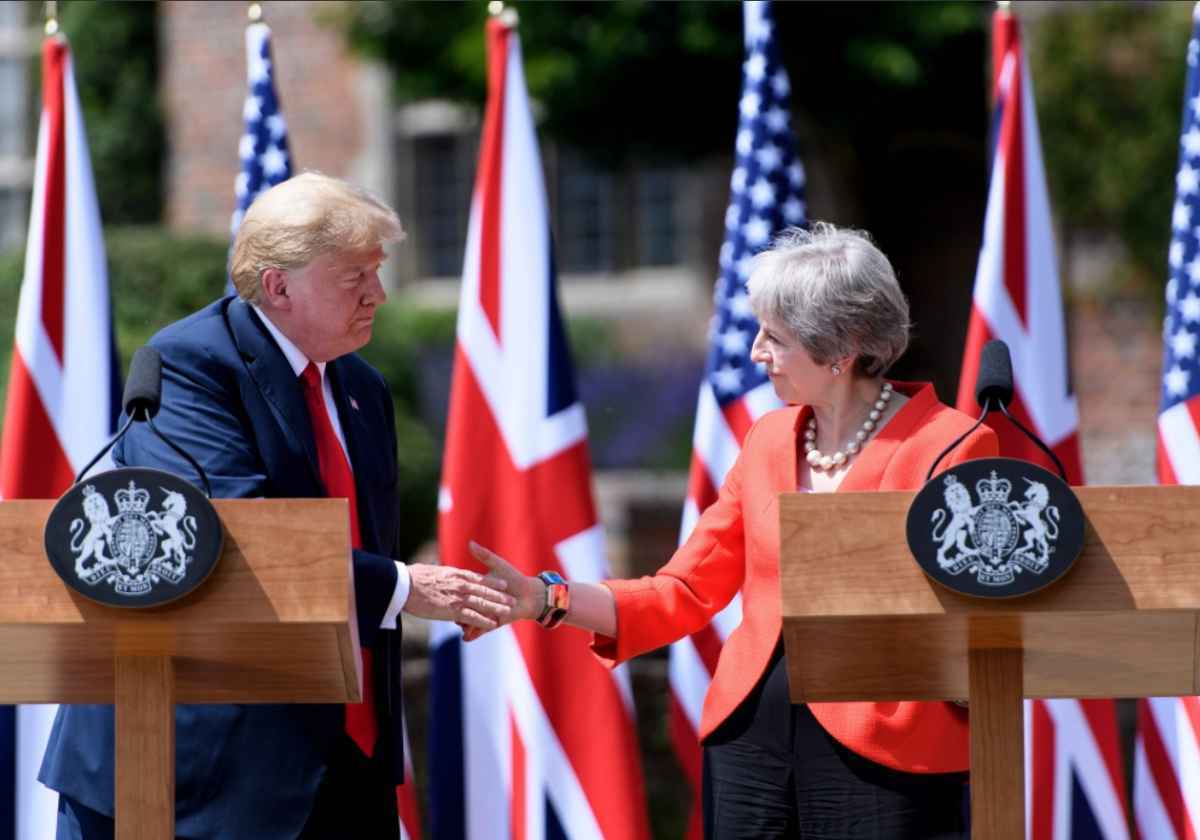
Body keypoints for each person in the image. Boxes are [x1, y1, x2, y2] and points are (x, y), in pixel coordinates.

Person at [470, 223, 999, 839]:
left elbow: (969, 618)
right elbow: (684, 591)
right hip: (752, 745)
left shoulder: (951, 445)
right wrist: (546, 598)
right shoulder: (770, 440)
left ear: (843, 348)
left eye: (775, 337)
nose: (754, 353)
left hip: (886, 751)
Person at [40, 172, 515, 840]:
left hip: (345, 761)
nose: (378, 294)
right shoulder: (186, 366)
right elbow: (234, 533)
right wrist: (405, 587)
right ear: (279, 286)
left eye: (378, 273)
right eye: (356, 276)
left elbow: (359, 541)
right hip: (194, 769)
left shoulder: (360, 386)